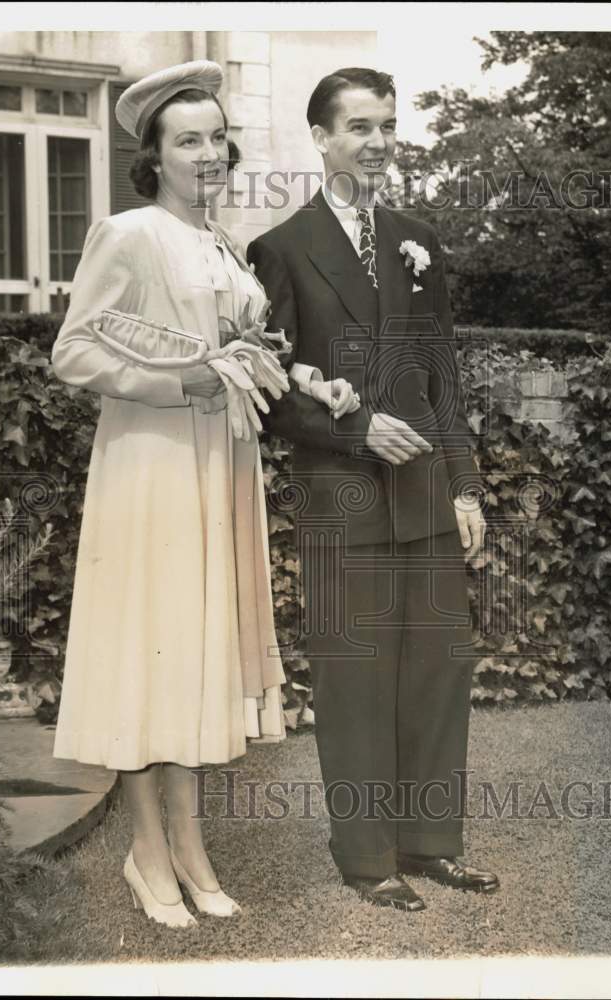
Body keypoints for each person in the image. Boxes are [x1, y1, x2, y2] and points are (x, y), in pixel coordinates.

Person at [50, 61, 347, 928]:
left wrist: (306, 382)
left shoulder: (221, 244)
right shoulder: (130, 233)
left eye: (218, 137)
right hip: (150, 468)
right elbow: (76, 352)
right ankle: (150, 855)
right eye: (190, 141)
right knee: (149, 651)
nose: (209, 154)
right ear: (155, 156)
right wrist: (186, 383)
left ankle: (187, 849)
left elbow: (247, 355)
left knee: (187, 659)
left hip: (220, 468)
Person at [247, 67, 500, 911]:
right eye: (360, 127)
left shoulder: (418, 239)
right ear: (320, 138)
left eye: (388, 126)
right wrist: (355, 432)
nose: (379, 143)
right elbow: (273, 390)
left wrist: (466, 485)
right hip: (341, 502)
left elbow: (444, 374)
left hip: (427, 494)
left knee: (438, 670)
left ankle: (433, 844)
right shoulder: (280, 249)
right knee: (355, 682)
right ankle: (368, 859)